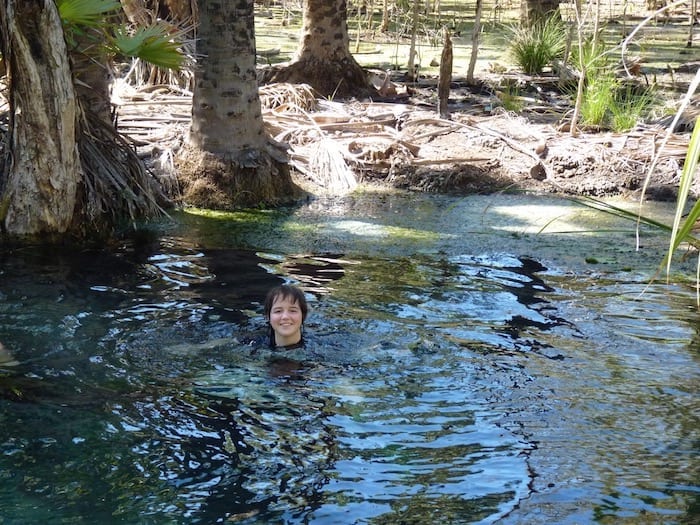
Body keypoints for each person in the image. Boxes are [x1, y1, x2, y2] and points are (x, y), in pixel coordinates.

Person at [263, 284, 308, 350]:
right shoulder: (252, 346)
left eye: (293, 310)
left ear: (303, 315)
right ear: (268, 316)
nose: (285, 317)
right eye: (278, 311)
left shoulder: (321, 347)